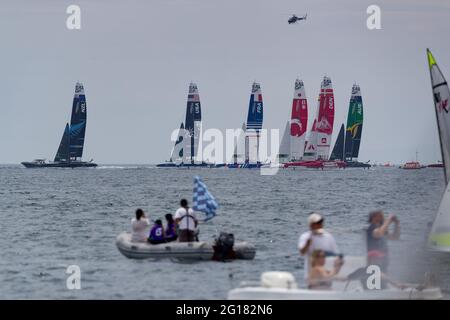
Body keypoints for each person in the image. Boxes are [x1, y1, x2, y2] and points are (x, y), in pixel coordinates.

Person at [298, 213, 339, 281]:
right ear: (311, 225)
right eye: (317, 223)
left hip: (328, 274)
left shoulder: (328, 236)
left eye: (320, 223)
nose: (320, 225)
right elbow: (302, 252)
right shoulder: (305, 236)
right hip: (312, 275)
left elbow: (336, 254)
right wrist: (308, 243)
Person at [366, 210, 400, 280]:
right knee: (378, 278)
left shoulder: (380, 229)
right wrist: (388, 220)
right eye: (381, 216)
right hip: (374, 258)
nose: (383, 218)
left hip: (383, 258)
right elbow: (378, 234)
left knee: (382, 279)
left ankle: (391, 285)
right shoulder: (372, 227)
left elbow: (395, 237)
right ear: (374, 218)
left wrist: (397, 224)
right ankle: (396, 285)